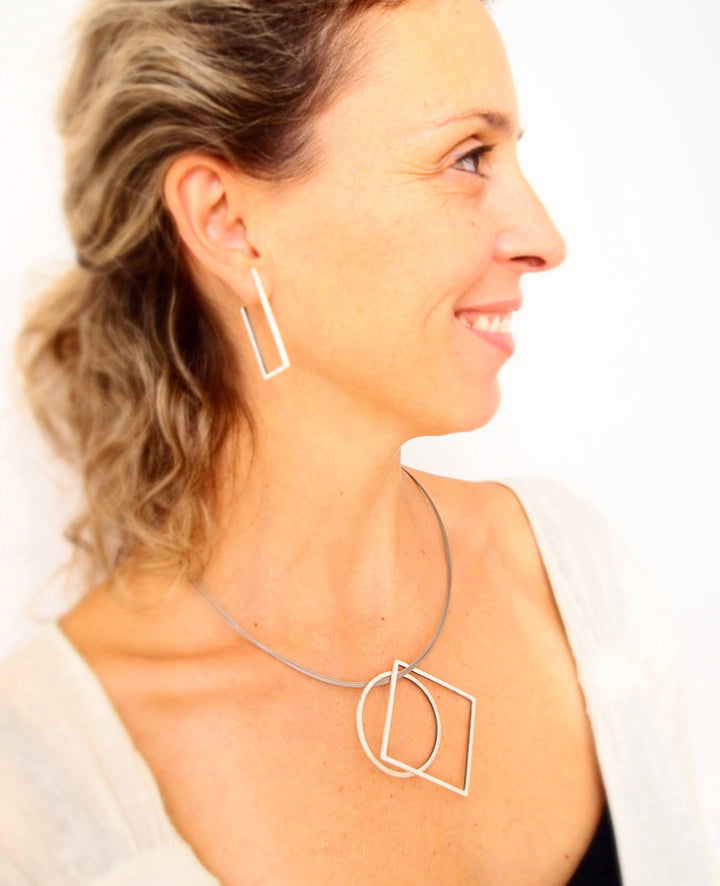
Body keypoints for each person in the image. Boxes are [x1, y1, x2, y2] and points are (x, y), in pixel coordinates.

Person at [0, 0, 716, 883]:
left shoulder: (575, 585)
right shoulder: (37, 785)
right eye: (468, 158)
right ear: (226, 217)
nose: (544, 240)